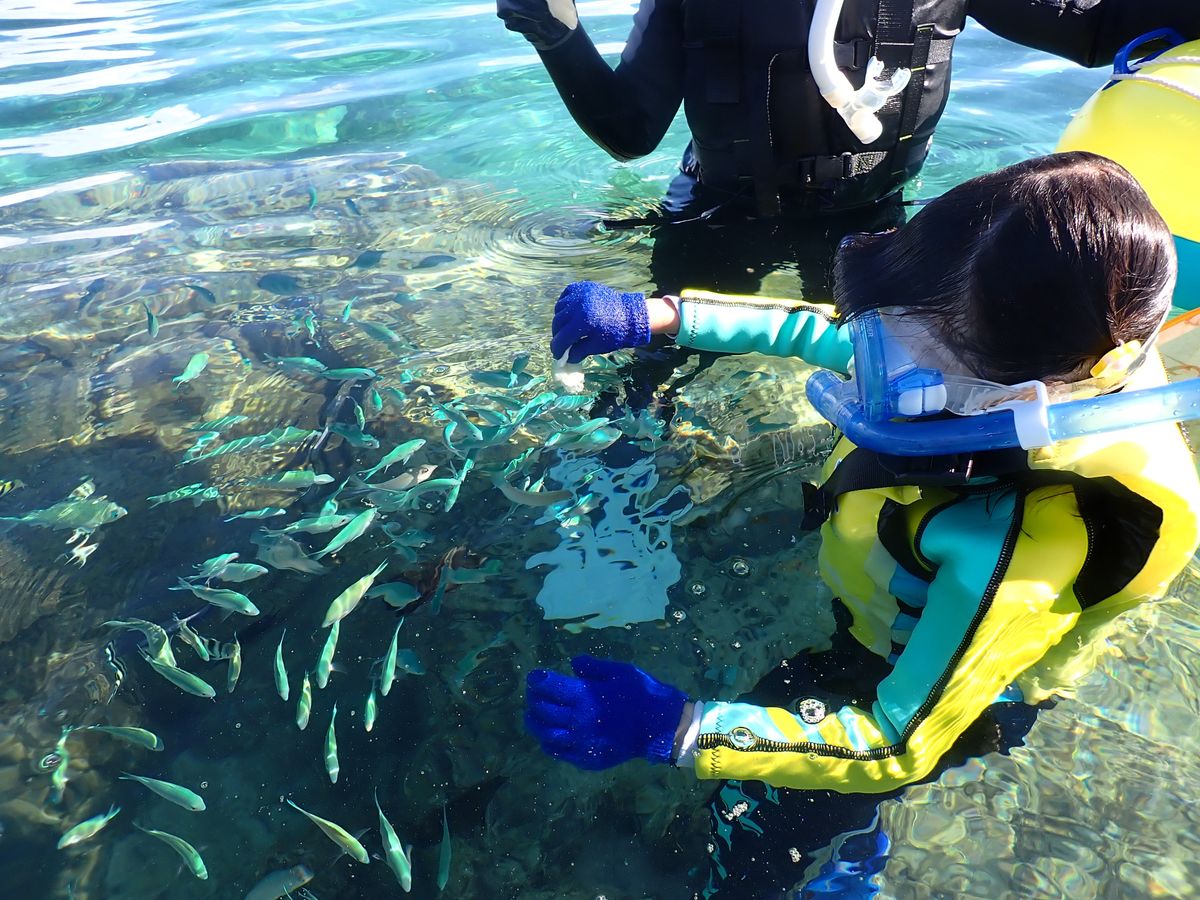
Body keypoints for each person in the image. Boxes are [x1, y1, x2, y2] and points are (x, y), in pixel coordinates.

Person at [524, 151, 1200, 897]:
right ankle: (854, 840)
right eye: (896, 335)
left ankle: (822, 862)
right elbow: (828, 333)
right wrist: (661, 317)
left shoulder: (1029, 545)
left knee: (753, 824)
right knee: (797, 754)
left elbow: (896, 744)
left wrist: (677, 728)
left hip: (933, 696)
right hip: (893, 624)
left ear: (1025, 399)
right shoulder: (985, 363)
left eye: (915, 356)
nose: (876, 366)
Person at [498, 0, 1200, 298]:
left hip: (871, 222)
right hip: (719, 212)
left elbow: (1096, 28)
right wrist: (557, 34)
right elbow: (630, 131)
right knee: (654, 379)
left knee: (887, 391)